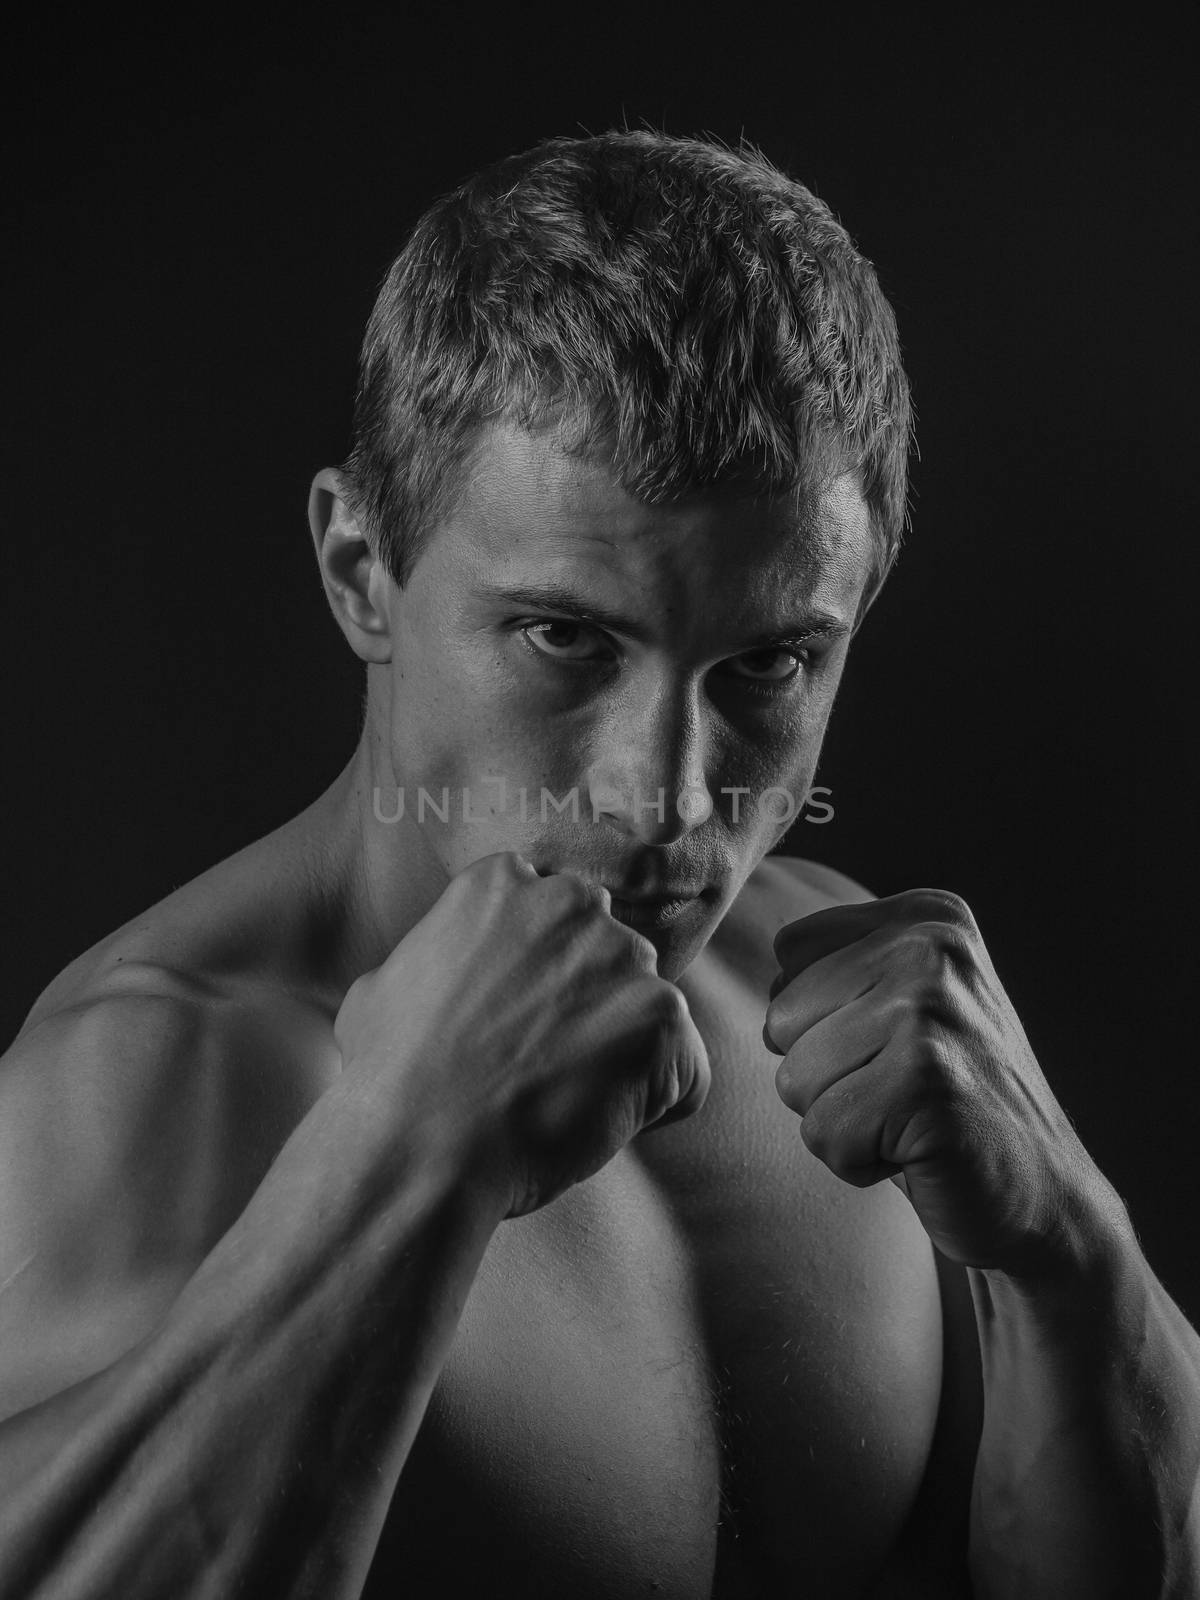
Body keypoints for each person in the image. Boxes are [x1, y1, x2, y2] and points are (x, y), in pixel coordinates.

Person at [0, 129, 1195, 1600]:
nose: (669, 793)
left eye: (769, 664)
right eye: (566, 637)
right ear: (361, 572)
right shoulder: (151, 1089)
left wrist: (1071, 1251)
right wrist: (404, 1163)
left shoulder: (839, 992)